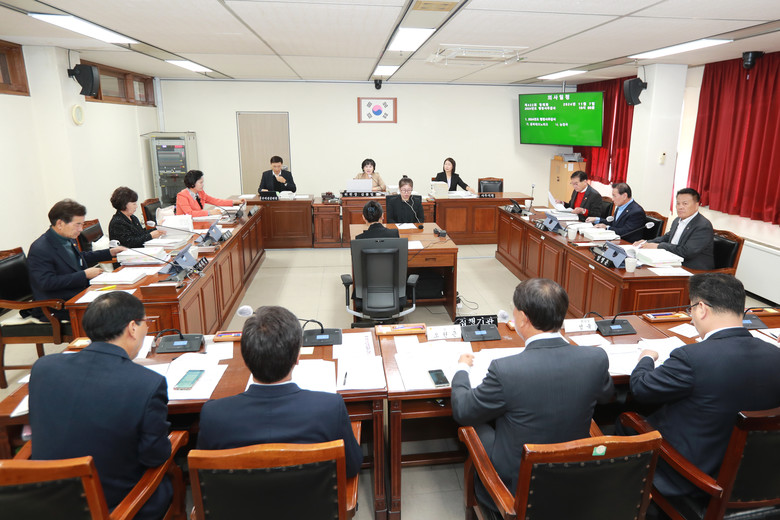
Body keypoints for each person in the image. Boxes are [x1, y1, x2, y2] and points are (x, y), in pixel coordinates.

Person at [451, 278, 614, 511]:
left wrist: (462, 369)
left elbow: (463, 410)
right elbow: (607, 396)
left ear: (523, 318)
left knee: (476, 424)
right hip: (575, 476)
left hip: (517, 487)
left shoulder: (506, 370)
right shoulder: (595, 358)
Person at [625, 273, 780, 499]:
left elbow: (640, 388)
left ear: (701, 309)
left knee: (626, 420)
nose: (691, 318)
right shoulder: (775, 355)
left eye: (690, 310)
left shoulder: (692, 357)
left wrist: (646, 357)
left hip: (693, 479)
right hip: (755, 480)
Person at [29, 292, 172, 520]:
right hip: (115, 506)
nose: (146, 328)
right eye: (145, 322)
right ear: (132, 328)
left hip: (47, 501)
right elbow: (155, 457)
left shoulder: (43, 367)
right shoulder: (147, 383)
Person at [197, 305, 362, 477]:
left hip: (239, 495)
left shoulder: (213, 414)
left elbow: (205, 475)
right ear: (297, 357)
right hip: (309, 495)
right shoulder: (330, 407)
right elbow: (351, 467)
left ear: (244, 359)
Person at [27, 199, 126, 320]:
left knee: (122, 297)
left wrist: (110, 252)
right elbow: (46, 282)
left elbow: (79, 257)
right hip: (57, 305)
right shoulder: (40, 248)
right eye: (77, 224)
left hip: (79, 293)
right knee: (114, 311)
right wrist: (84, 275)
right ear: (60, 224)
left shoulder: (68, 238)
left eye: (82, 224)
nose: (81, 229)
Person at [636, 187, 714, 270]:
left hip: (692, 268)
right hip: (672, 260)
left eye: (685, 204)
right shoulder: (677, 220)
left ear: (696, 205)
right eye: (678, 203)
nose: (680, 207)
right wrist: (647, 242)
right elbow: (667, 237)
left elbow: (687, 252)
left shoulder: (703, 226)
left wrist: (659, 246)